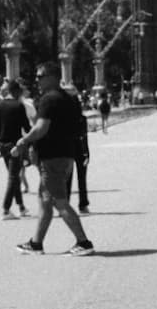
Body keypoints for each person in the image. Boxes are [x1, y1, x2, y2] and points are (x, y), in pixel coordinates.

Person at [11, 61, 95, 256]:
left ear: (52, 77)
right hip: (65, 155)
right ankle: (36, 243)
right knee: (45, 200)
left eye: (40, 76)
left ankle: (83, 242)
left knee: (59, 201)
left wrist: (24, 141)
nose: (37, 80)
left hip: (52, 157)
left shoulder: (49, 99)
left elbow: (41, 128)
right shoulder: (68, 98)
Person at [0, 80, 32, 220]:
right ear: (15, 91)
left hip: (2, 143)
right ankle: (6, 209)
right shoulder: (18, 106)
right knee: (14, 176)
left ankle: (21, 206)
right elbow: (26, 127)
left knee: (14, 175)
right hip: (15, 144)